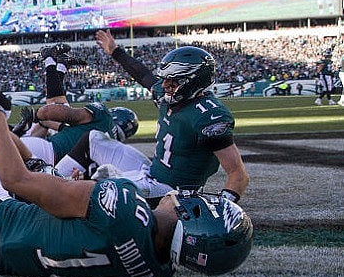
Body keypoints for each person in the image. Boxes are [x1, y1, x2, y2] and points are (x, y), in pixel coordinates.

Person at [0, 95, 253, 277]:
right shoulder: (156, 274)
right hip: (9, 261)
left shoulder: (120, 203)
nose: (191, 195)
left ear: (193, 215)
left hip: (1, 227)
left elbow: (16, 179)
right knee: (33, 176)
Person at [54, 30, 249, 206]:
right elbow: (143, 75)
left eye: (172, 82)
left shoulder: (208, 116)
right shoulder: (168, 97)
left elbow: (238, 175)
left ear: (193, 82)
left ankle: (61, 194)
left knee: (100, 192)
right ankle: (53, 179)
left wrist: (224, 206)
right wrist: (115, 51)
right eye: (165, 80)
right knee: (93, 139)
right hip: (153, 172)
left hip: (171, 191)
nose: (164, 86)